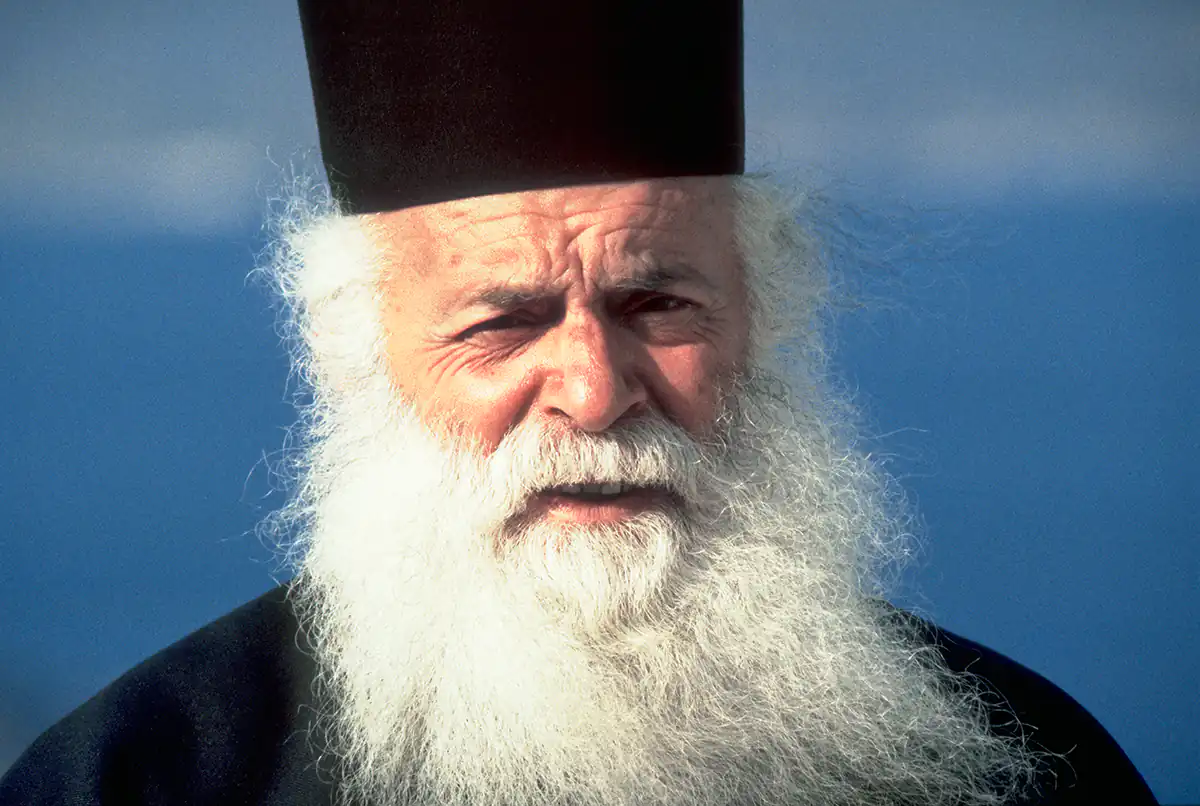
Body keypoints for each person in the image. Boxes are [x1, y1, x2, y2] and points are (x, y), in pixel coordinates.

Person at [0, 1, 1157, 805]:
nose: (596, 393)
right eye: (501, 322)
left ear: (766, 322)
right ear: (359, 352)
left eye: (657, 302)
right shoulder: (133, 780)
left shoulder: (1025, 764)